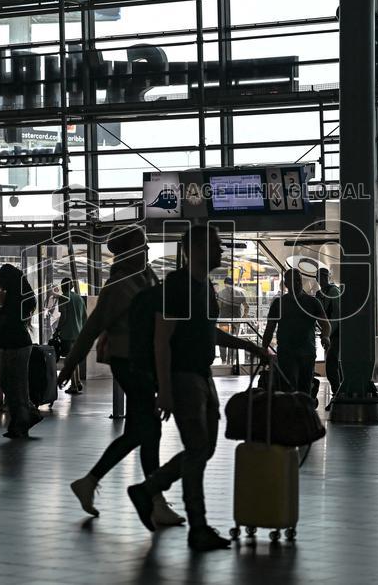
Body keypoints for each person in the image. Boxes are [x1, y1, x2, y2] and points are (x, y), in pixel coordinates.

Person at [126, 225, 266, 552]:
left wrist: (248, 345)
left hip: (203, 375)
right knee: (197, 447)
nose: (221, 251)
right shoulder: (177, 286)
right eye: (216, 245)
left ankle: (147, 490)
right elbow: (162, 341)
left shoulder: (205, 287)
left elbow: (208, 332)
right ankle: (197, 526)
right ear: (198, 249)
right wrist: (165, 389)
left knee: (203, 449)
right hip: (183, 377)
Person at [59, 225, 184, 526]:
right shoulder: (118, 287)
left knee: (142, 431)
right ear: (127, 252)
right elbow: (91, 329)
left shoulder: (146, 277)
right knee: (148, 429)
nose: (147, 251)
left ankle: (94, 483)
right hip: (128, 364)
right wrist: (70, 365)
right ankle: (153, 499)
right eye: (141, 246)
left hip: (142, 364)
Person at [0, 263, 42, 439]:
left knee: (14, 385)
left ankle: (22, 422)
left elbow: (8, 321)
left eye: (1, 279)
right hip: (17, 344)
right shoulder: (19, 296)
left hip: (16, 345)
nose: (0, 283)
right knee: (13, 384)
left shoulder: (15, 298)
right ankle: (25, 416)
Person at [262, 268, 331, 397]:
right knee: (289, 388)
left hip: (307, 353)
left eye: (298, 280)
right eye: (293, 281)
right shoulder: (278, 304)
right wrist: (264, 348)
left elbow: (325, 324)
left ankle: (302, 407)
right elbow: (269, 328)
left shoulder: (313, 302)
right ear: (286, 284)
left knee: (304, 388)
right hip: (287, 354)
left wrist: (326, 336)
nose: (297, 283)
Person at [55, 277, 87, 394]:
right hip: (78, 333)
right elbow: (84, 317)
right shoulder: (79, 298)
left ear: (63, 287)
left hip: (68, 333)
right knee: (75, 359)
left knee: (69, 359)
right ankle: (77, 382)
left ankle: (73, 386)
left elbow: (63, 317)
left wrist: (58, 329)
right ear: (72, 286)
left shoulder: (63, 297)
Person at [315, 267, 343, 399]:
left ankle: (337, 392)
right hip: (329, 332)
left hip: (335, 332)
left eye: (324, 277)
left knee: (331, 363)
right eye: (320, 277)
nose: (322, 280)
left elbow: (337, 314)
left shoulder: (333, 291)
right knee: (333, 362)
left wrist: (329, 333)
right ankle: (339, 391)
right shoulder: (320, 294)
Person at [217, 276, 248, 368]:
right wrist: (244, 316)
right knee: (233, 339)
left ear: (224, 284)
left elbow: (218, 307)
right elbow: (246, 307)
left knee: (222, 339)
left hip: (224, 320)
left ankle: (224, 360)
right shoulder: (240, 293)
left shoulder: (221, 293)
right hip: (236, 321)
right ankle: (232, 360)